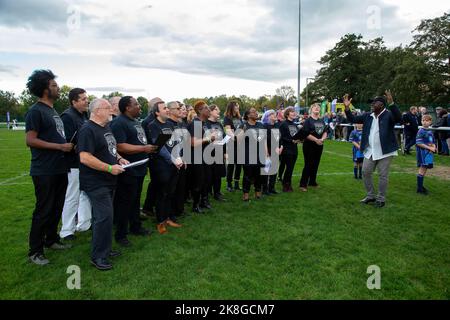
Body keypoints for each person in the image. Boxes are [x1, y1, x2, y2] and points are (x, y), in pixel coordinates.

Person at [25, 70, 74, 265]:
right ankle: (35, 251)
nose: (57, 88)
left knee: (56, 207)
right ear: (45, 89)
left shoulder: (52, 110)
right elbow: (30, 140)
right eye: (54, 85)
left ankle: (51, 239)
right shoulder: (35, 111)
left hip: (59, 167)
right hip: (44, 169)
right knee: (43, 209)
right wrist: (59, 146)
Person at [78, 99, 129, 270]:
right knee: (104, 217)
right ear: (98, 110)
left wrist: (119, 159)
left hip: (108, 180)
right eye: (108, 108)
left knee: (106, 217)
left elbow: (110, 150)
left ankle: (105, 249)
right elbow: (84, 157)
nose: (112, 110)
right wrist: (108, 168)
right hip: (95, 182)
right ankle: (98, 256)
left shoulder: (105, 127)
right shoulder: (87, 129)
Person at [343, 91, 402, 208]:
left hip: (386, 151)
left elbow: (399, 118)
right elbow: (353, 119)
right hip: (370, 150)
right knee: (365, 172)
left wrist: (392, 103)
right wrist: (347, 108)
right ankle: (370, 196)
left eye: (374, 103)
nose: (371, 105)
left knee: (383, 175)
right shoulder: (367, 116)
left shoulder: (389, 114)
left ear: (381, 105)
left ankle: (381, 198)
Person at [110, 96, 155, 247]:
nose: (139, 107)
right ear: (127, 108)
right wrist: (143, 148)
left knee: (135, 200)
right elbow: (120, 146)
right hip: (128, 169)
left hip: (140, 167)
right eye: (136, 104)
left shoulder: (135, 122)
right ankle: (121, 234)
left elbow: (139, 141)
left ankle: (136, 227)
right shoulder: (119, 123)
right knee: (124, 202)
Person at [59, 88, 92, 241]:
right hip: (73, 163)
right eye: (83, 99)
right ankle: (67, 230)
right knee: (72, 196)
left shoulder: (84, 115)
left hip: (86, 162)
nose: (87, 101)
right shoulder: (67, 117)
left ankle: (84, 224)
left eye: (87, 98)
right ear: (74, 102)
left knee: (85, 194)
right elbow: (68, 142)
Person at [148, 101, 184, 234]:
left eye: (167, 108)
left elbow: (177, 142)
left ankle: (168, 217)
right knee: (162, 194)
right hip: (161, 166)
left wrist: (180, 157)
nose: (167, 110)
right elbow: (159, 147)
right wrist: (172, 159)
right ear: (157, 112)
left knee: (170, 192)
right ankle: (160, 222)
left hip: (174, 164)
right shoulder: (153, 126)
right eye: (164, 108)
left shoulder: (170, 124)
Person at [188, 101, 217, 213]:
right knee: (198, 182)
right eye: (206, 108)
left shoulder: (204, 123)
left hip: (205, 156)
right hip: (197, 157)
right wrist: (209, 138)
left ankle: (204, 201)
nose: (209, 110)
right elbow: (193, 143)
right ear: (199, 111)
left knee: (207, 180)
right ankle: (195, 205)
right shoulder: (195, 123)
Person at [237, 107, 267, 201]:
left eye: (256, 111)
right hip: (248, 154)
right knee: (247, 175)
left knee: (259, 174)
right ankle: (246, 194)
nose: (256, 113)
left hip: (260, 153)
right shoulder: (243, 125)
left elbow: (264, 139)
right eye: (253, 112)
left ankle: (258, 192)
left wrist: (266, 153)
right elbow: (238, 140)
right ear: (248, 115)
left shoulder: (260, 125)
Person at [299, 103, 328, 192]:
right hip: (309, 145)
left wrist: (322, 139)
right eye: (315, 107)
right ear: (311, 109)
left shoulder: (321, 120)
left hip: (319, 145)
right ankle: (303, 184)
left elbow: (325, 131)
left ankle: (312, 182)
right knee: (308, 164)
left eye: (318, 107)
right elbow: (306, 134)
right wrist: (316, 140)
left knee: (316, 164)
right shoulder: (308, 121)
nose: (317, 108)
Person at [206, 104, 227, 201]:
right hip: (209, 153)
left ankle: (217, 193)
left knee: (218, 174)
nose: (218, 111)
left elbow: (224, 137)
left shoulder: (219, 124)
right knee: (209, 175)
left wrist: (225, 151)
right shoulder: (206, 123)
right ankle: (207, 192)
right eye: (216, 110)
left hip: (219, 152)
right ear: (210, 112)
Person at [279, 107, 301, 192]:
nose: (294, 113)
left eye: (294, 112)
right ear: (287, 114)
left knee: (291, 168)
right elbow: (282, 138)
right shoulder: (283, 124)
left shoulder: (294, 124)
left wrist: (300, 139)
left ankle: (288, 183)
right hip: (286, 149)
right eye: (292, 112)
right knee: (289, 168)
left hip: (294, 149)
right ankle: (285, 185)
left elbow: (295, 136)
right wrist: (292, 140)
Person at [223, 101, 243, 192]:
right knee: (231, 164)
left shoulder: (239, 117)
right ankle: (229, 184)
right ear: (231, 107)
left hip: (240, 144)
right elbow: (228, 130)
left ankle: (236, 183)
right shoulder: (227, 118)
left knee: (239, 165)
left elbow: (242, 129)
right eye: (236, 106)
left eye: (238, 106)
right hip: (232, 143)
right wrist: (235, 137)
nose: (237, 107)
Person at [262, 109, 283, 194]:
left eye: (275, 114)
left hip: (277, 150)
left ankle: (272, 188)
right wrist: (266, 152)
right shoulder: (264, 126)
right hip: (268, 150)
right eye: (272, 114)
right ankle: (264, 189)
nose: (275, 115)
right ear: (267, 116)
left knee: (274, 170)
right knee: (266, 171)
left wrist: (281, 147)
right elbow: (264, 140)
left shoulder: (277, 125)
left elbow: (280, 138)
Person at [415, 115, 436, 195]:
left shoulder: (430, 132)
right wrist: (429, 148)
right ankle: (419, 189)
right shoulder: (421, 131)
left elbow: (432, 141)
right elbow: (418, 143)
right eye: (423, 120)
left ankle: (421, 186)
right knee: (422, 168)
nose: (424, 122)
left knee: (425, 169)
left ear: (430, 122)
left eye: (426, 120)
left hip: (429, 154)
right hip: (423, 154)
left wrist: (434, 147)